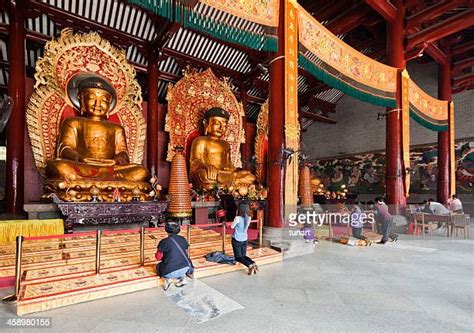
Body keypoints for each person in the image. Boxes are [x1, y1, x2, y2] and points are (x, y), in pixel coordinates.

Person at [156, 222, 194, 290]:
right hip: (185, 269)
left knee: (158, 266)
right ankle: (182, 279)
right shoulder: (183, 239)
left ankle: (168, 279)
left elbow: (158, 257)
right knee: (179, 262)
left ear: (166, 230)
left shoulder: (164, 241)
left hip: (170, 272)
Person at [231, 202, 258, 275]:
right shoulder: (248, 218)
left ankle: (249, 265)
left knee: (238, 257)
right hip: (244, 239)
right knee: (243, 256)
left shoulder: (237, 218)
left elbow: (232, 227)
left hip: (237, 239)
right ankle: (253, 263)